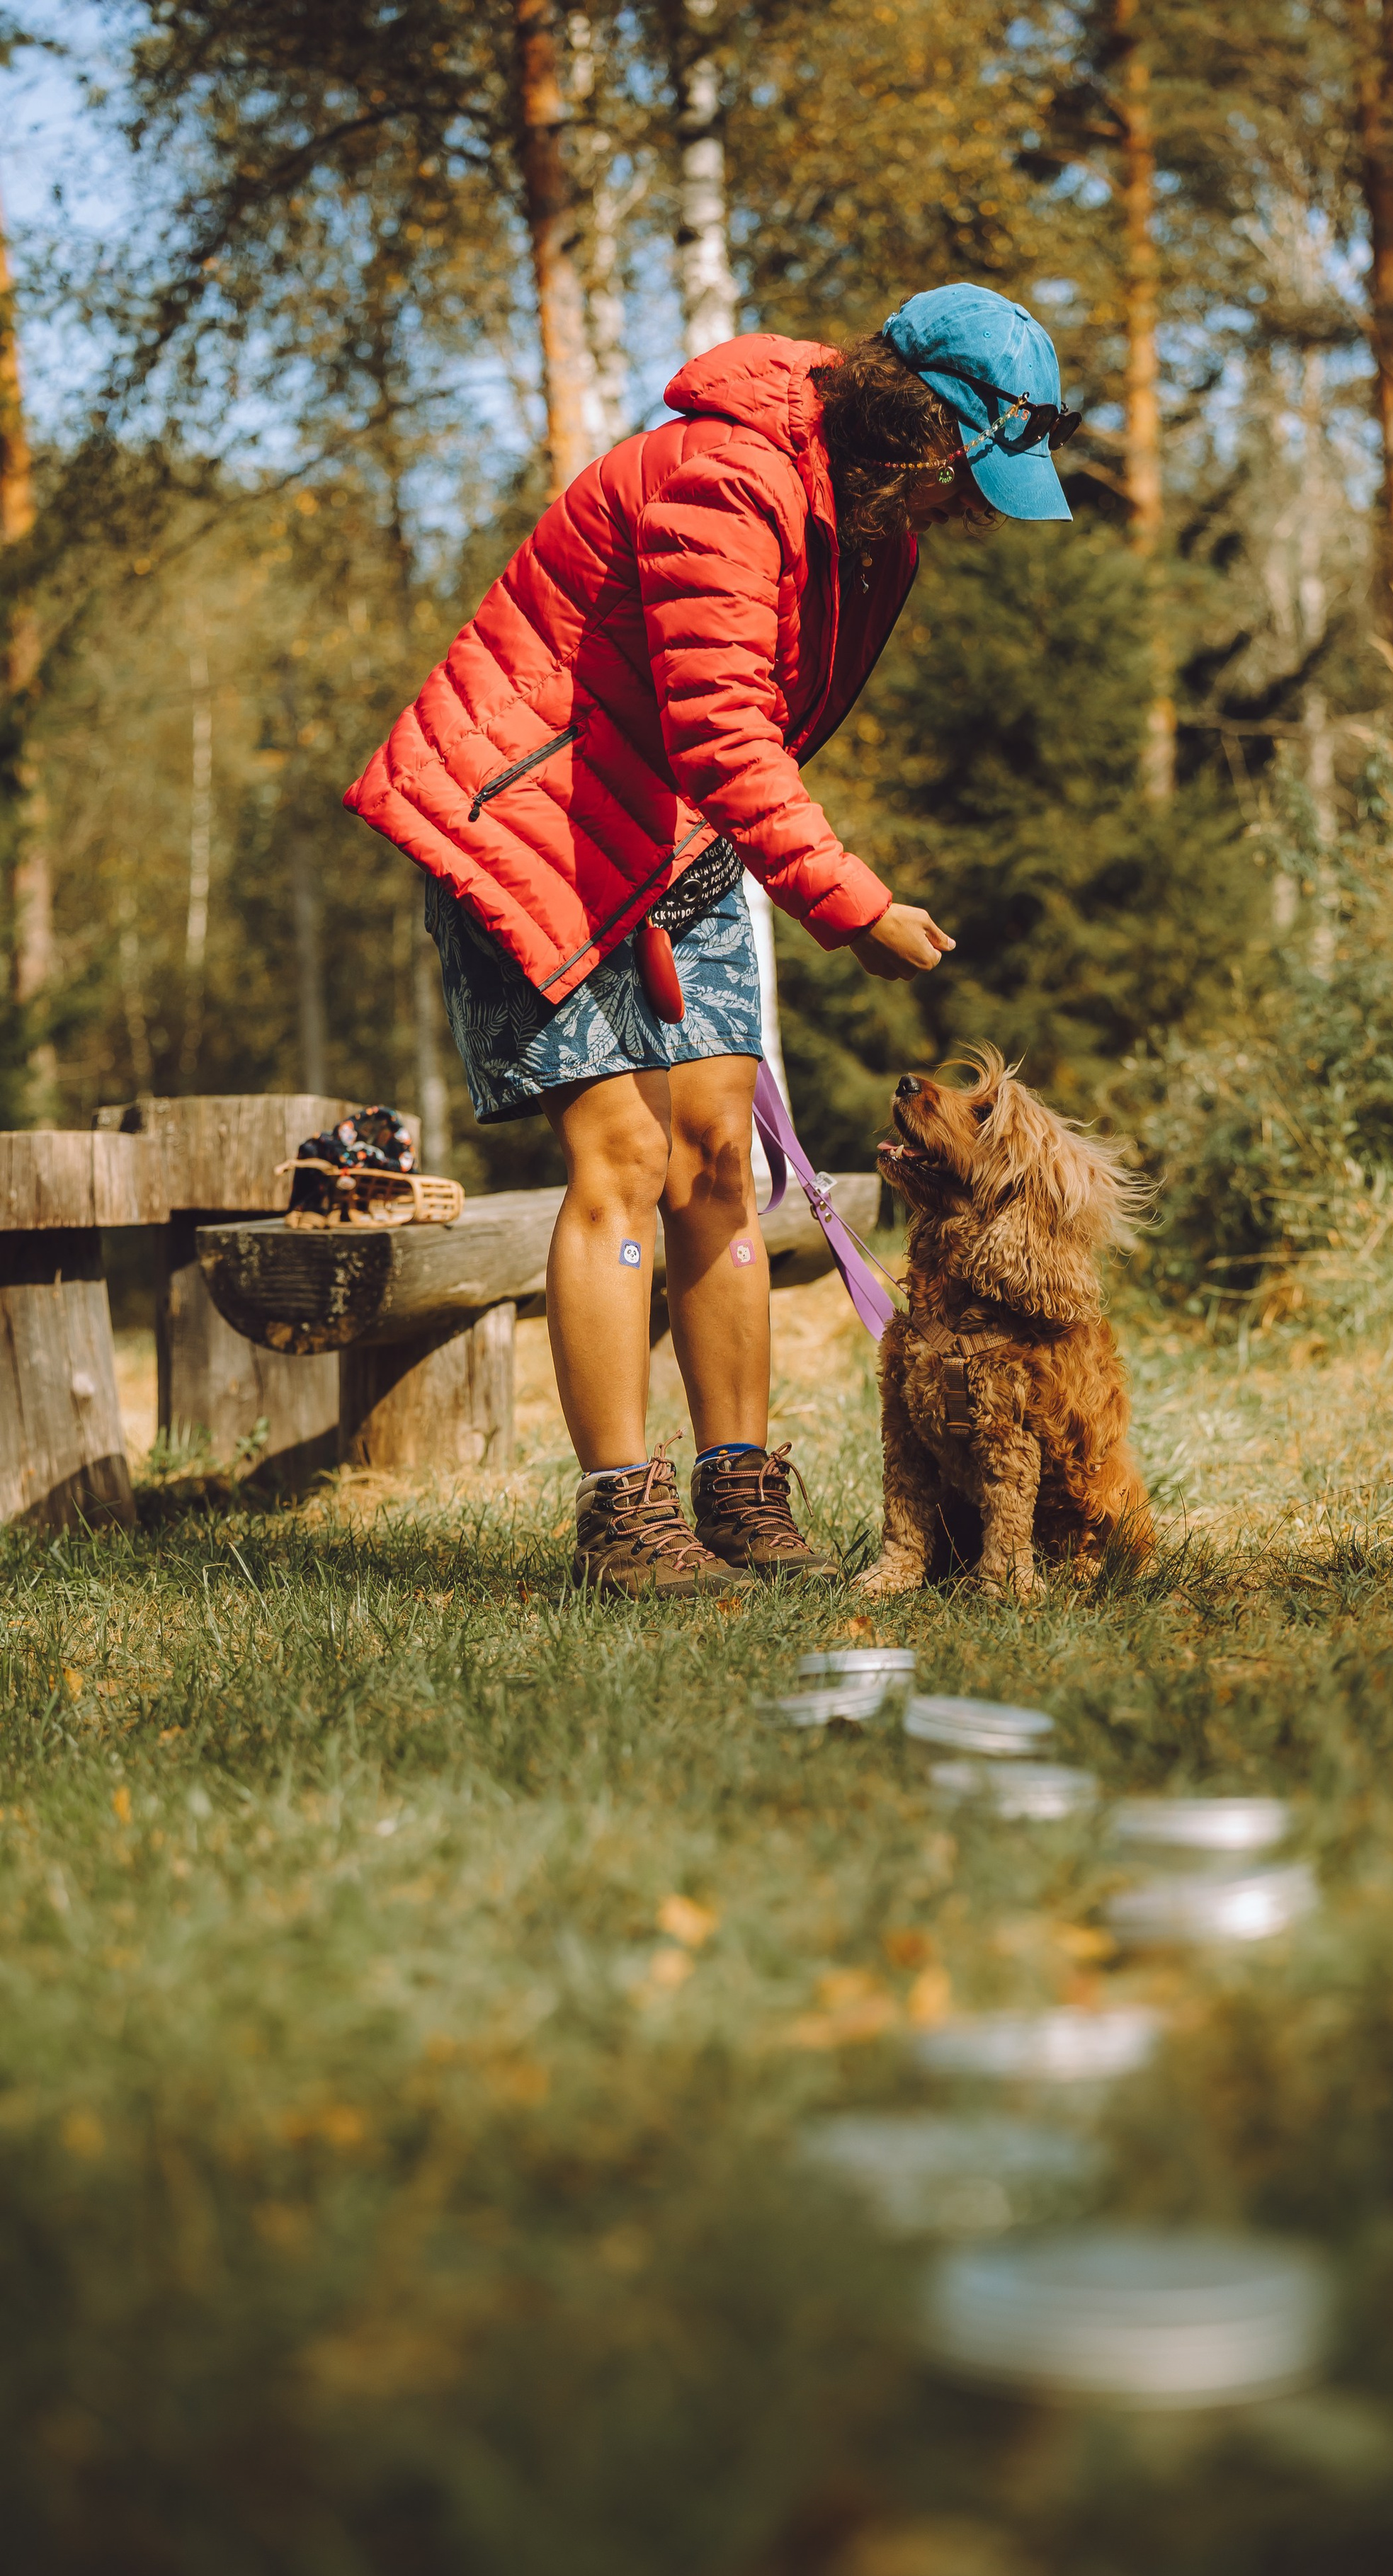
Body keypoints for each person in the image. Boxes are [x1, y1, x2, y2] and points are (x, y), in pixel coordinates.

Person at [345, 282, 1077, 1597]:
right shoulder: (726, 480)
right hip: (539, 825)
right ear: (913, 429)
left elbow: (746, 743)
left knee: (718, 1164)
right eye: (961, 479)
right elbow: (726, 733)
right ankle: (623, 1515)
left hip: (676, 836)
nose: (956, 514)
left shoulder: (861, 525)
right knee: (621, 1159)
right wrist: (852, 905)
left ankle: (737, 1494)